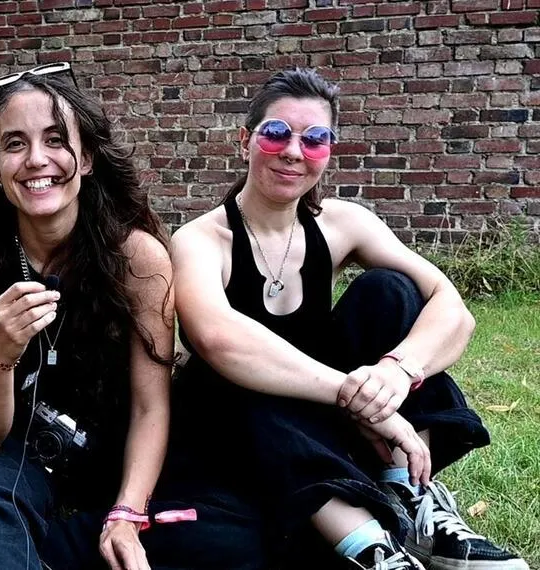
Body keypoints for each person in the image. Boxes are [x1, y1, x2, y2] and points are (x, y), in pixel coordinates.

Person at [164, 68, 527, 569]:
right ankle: (372, 550)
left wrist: (395, 373)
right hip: (237, 431)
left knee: (390, 291)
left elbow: (452, 308)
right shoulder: (200, 240)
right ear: (244, 141)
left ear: (329, 151)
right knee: (240, 367)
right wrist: (356, 397)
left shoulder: (343, 223)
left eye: (315, 139)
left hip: (325, 421)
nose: (294, 152)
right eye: (276, 133)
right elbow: (217, 338)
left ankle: (409, 498)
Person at [0, 63, 183, 570]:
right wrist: (2, 351)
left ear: (87, 157)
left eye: (56, 139)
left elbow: (151, 406)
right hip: (15, 457)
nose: (37, 159)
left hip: (116, 454)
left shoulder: (138, 259)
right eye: (15, 144)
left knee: (214, 532)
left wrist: (128, 511)